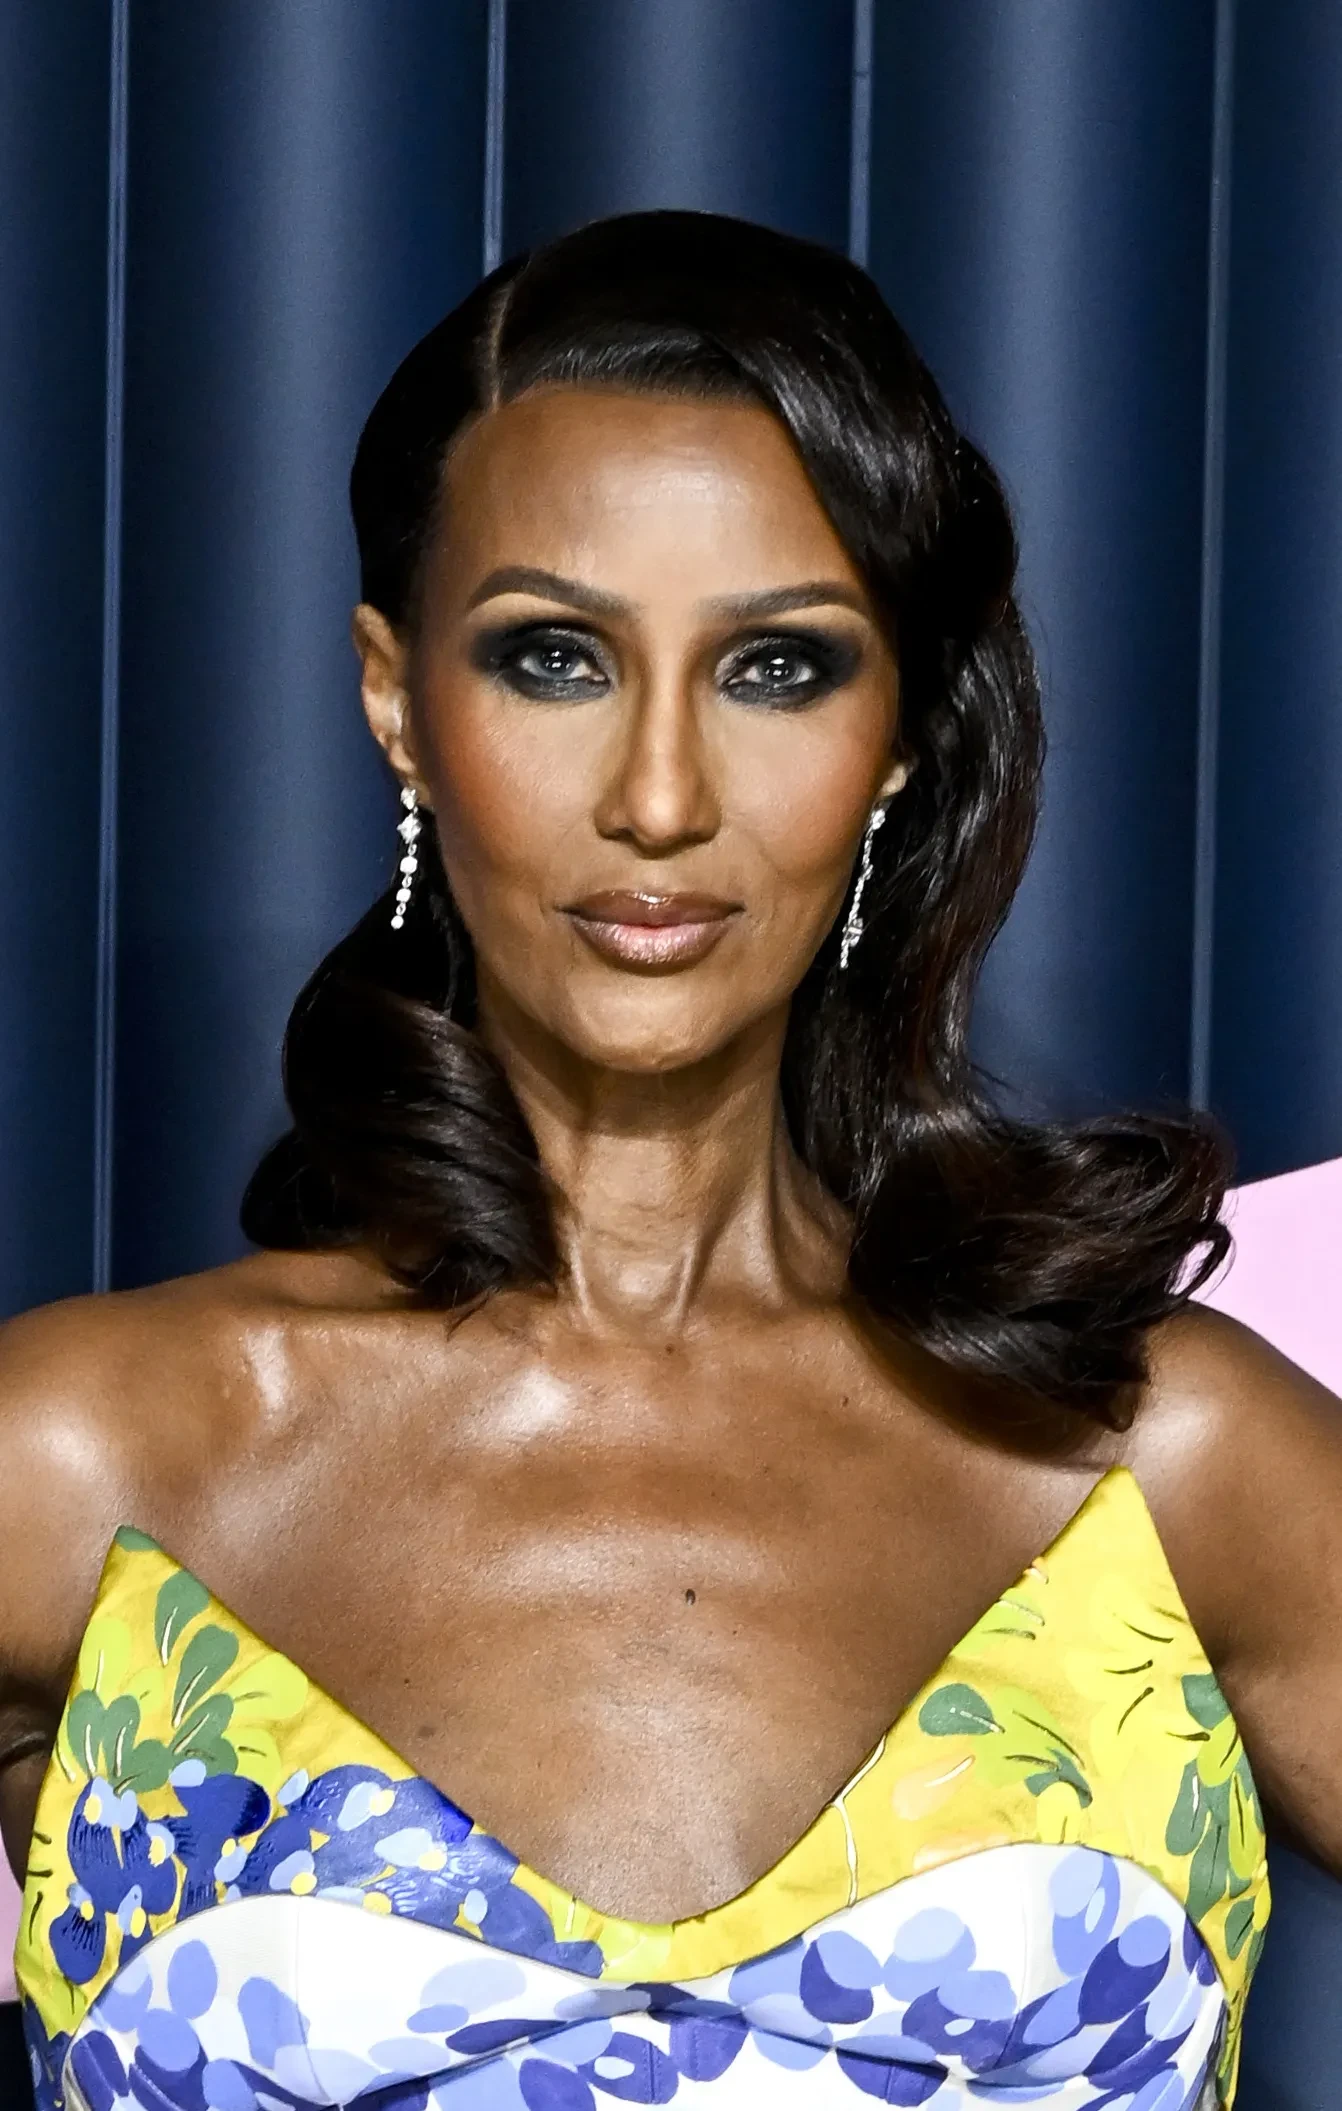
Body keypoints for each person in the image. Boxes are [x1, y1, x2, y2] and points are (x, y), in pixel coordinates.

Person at [2, 210, 1339, 2111]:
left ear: (896, 733)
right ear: (396, 700)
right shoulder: (82, 1464)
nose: (657, 797)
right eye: (552, 657)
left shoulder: (1163, 1465)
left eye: (776, 668)